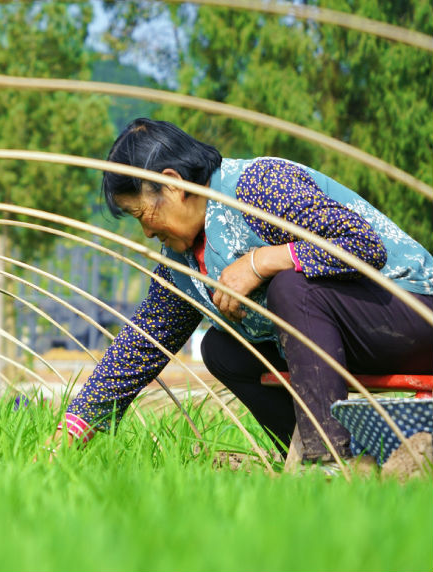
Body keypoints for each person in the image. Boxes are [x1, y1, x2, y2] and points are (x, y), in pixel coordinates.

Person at [50, 118, 433, 464]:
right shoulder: (181, 261)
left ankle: (326, 461)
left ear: (173, 183)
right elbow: (143, 343)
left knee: (292, 287)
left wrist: (261, 262)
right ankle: (325, 457)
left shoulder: (258, 184)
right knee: (224, 350)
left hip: (411, 312)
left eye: (143, 215)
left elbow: (362, 245)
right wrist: (73, 429)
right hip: (347, 340)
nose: (147, 232)